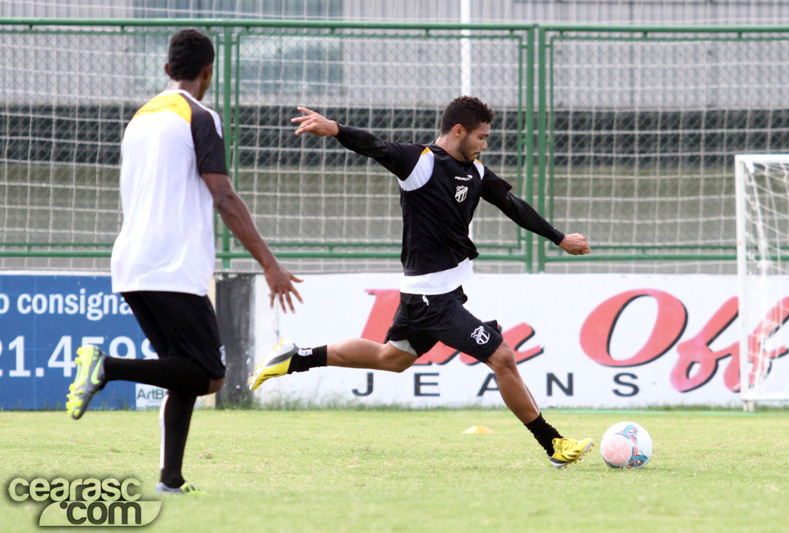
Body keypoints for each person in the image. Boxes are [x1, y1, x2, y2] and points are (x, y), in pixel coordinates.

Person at [250, 96, 593, 469]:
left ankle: (295, 358)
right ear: (458, 130)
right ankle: (553, 444)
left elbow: (512, 205)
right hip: (433, 299)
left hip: (432, 296)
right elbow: (375, 146)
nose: (485, 144)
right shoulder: (421, 162)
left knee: (392, 358)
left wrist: (558, 237)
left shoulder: (475, 171)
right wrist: (335, 129)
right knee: (503, 358)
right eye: (482, 136)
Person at [65, 29, 302, 495]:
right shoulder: (200, 115)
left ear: (168, 69)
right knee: (209, 375)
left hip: (132, 263)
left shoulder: (140, 118)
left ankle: (170, 480)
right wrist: (270, 263)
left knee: (181, 368)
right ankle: (105, 367)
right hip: (172, 265)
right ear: (208, 72)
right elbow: (224, 196)